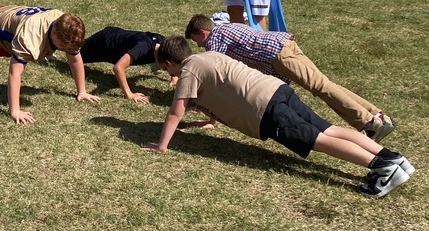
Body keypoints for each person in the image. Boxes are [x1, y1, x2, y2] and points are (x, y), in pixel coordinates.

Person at [145, 37, 414, 199]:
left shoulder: (189, 70)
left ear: (169, 64)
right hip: (277, 90)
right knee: (329, 130)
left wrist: (162, 146)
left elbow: (176, 111)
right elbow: (223, 88)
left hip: (265, 109)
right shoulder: (207, 55)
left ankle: (382, 168)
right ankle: (391, 157)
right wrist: (211, 120)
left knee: (316, 140)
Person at [184, 15, 396, 140]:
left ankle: (368, 122)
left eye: (197, 41)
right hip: (285, 43)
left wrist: (201, 105)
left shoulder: (215, 40)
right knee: (324, 83)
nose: (199, 46)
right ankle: (377, 115)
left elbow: (214, 71)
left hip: (277, 55)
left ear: (203, 32)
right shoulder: (230, 26)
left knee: (320, 87)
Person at [79, 26, 165, 103]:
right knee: (74, 49)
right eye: (165, 68)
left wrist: (174, 77)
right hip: (104, 43)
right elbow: (118, 68)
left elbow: (175, 57)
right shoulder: (143, 47)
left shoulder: (165, 44)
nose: (164, 69)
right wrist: (129, 94)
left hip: (115, 35)